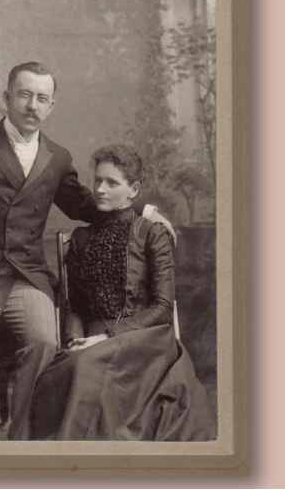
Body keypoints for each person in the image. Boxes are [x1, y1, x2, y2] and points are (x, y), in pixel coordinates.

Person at [0, 62, 175, 441]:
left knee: (45, 343)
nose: (31, 105)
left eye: (41, 98)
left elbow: (88, 205)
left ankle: (22, 445)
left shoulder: (57, 157)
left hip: (26, 275)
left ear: (51, 106)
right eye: (24, 95)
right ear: (7, 97)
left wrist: (144, 210)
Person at [30, 144, 216, 441]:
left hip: (145, 341)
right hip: (92, 339)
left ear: (134, 190)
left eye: (111, 183)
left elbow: (163, 307)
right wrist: (74, 339)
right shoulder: (81, 238)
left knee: (87, 368)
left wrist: (107, 336)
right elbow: (74, 305)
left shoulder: (151, 234)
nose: (100, 189)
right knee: (59, 373)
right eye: (97, 181)